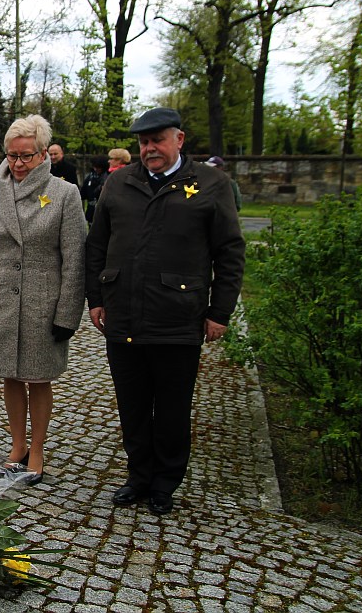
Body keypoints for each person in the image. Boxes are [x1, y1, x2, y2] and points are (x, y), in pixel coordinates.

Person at [85, 107, 245, 515]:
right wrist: (97, 299)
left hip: (178, 315)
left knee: (172, 407)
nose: (150, 148)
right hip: (124, 314)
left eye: (158, 139)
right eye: (143, 141)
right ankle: (138, 476)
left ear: (179, 139)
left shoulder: (211, 184)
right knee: (132, 404)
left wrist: (220, 312)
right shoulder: (119, 183)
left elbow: (229, 252)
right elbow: (97, 246)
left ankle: (165, 482)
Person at [0, 115, 86, 486]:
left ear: (43, 155)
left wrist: (68, 313)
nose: (18, 164)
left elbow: (75, 259)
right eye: (12, 155)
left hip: (42, 304)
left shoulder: (64, 194)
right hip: (1, 299)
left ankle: (37, 447)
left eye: (27, 156)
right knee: (10, 376)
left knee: (38, 378)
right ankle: (17, 444)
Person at [79, 157, 109, 225]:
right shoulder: (90, 177)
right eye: (95, 167)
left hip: (103, 210)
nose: (96, 169)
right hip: (91, 211)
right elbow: (83, 193)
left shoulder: (107, 177)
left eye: (98, 168)